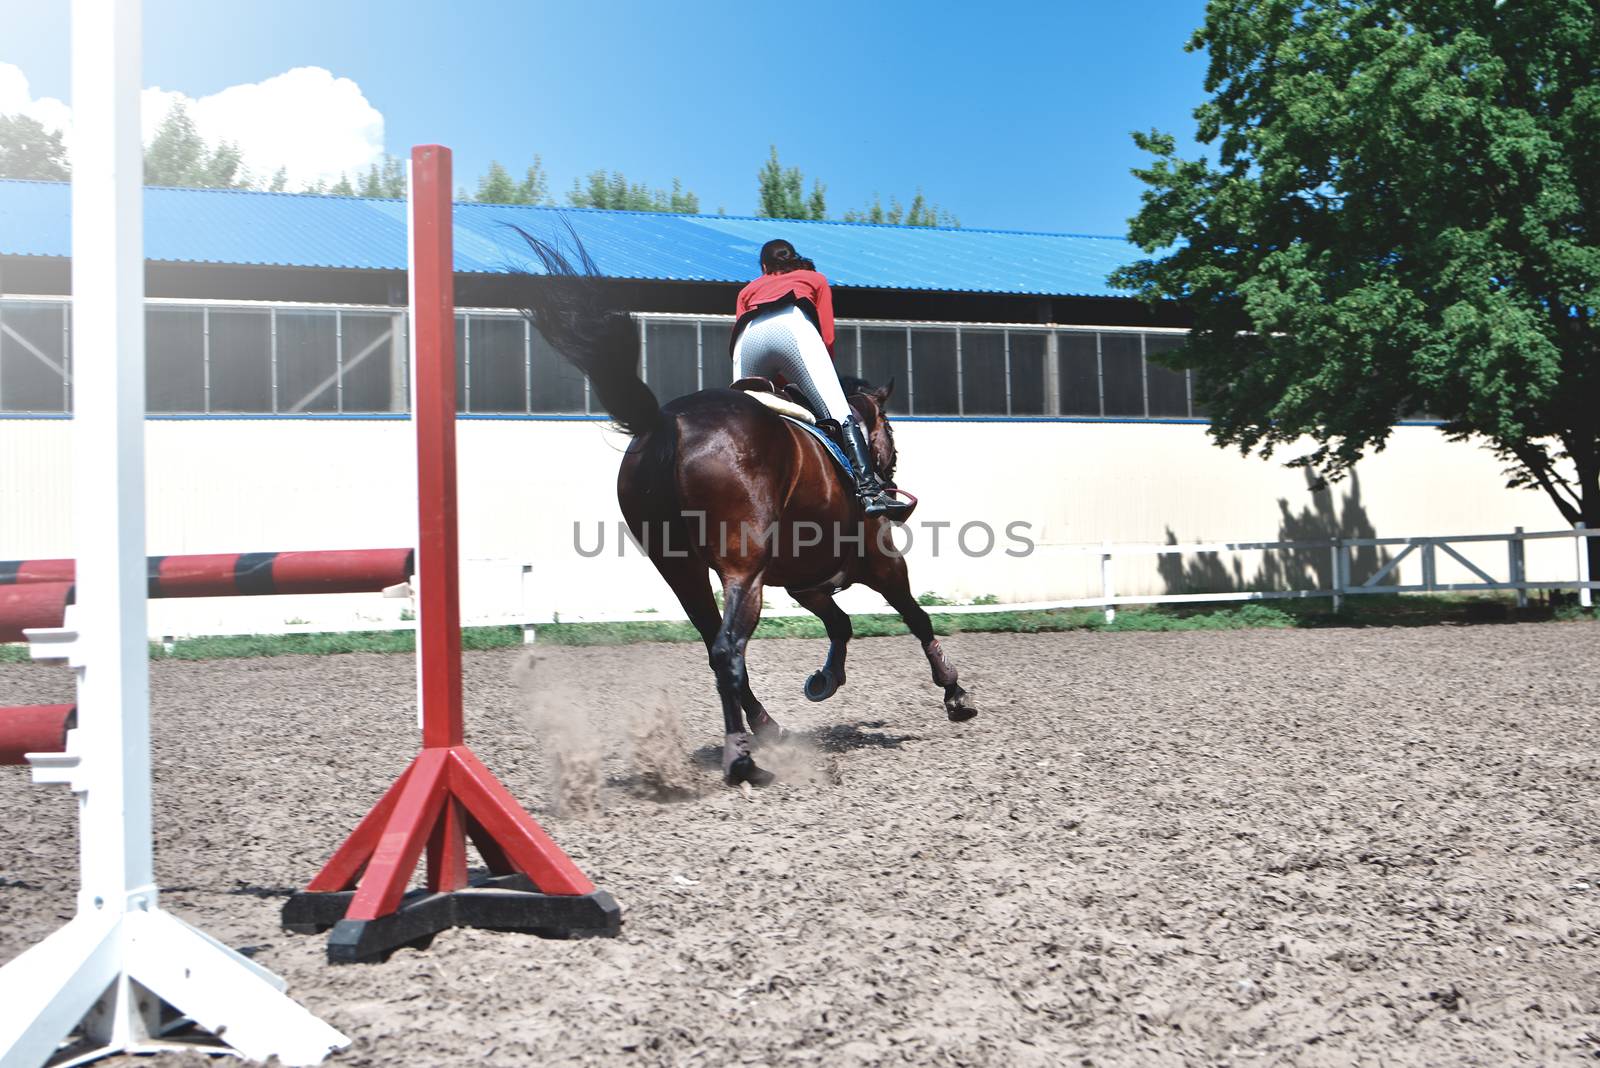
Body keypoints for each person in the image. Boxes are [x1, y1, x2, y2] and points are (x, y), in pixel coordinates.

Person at [732, 239, 909, 518]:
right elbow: (826, 337)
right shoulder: (814, 279)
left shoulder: (747, 290)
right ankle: (870, 492)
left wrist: (777, 383)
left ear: (764, 267)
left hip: (748, 337)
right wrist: (814, 379)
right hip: (793, 328)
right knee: (840, 413)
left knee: (738, 417)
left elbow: (740, 339)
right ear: (793, 259)